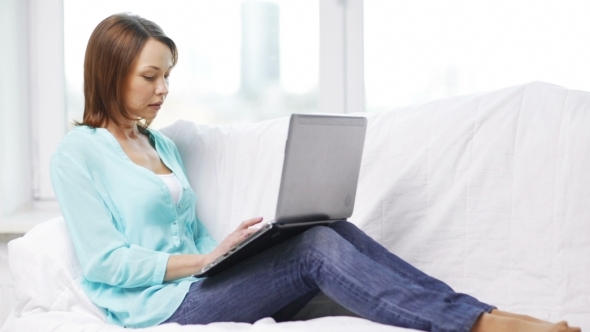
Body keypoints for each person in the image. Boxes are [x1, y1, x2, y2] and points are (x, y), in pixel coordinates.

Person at [50, 13, 581, 332]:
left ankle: (477, 311)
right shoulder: (79, 153)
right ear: (110, 72)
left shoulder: (160, 142)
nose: (163, 89)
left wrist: (231, 250)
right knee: (315, 251)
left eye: (168, 75)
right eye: (150, 76)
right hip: (159, 309)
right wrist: (204, 260)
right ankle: (480, 325)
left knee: (328, 228)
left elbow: (189, 234)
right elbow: (106, 263)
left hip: (203, 281)